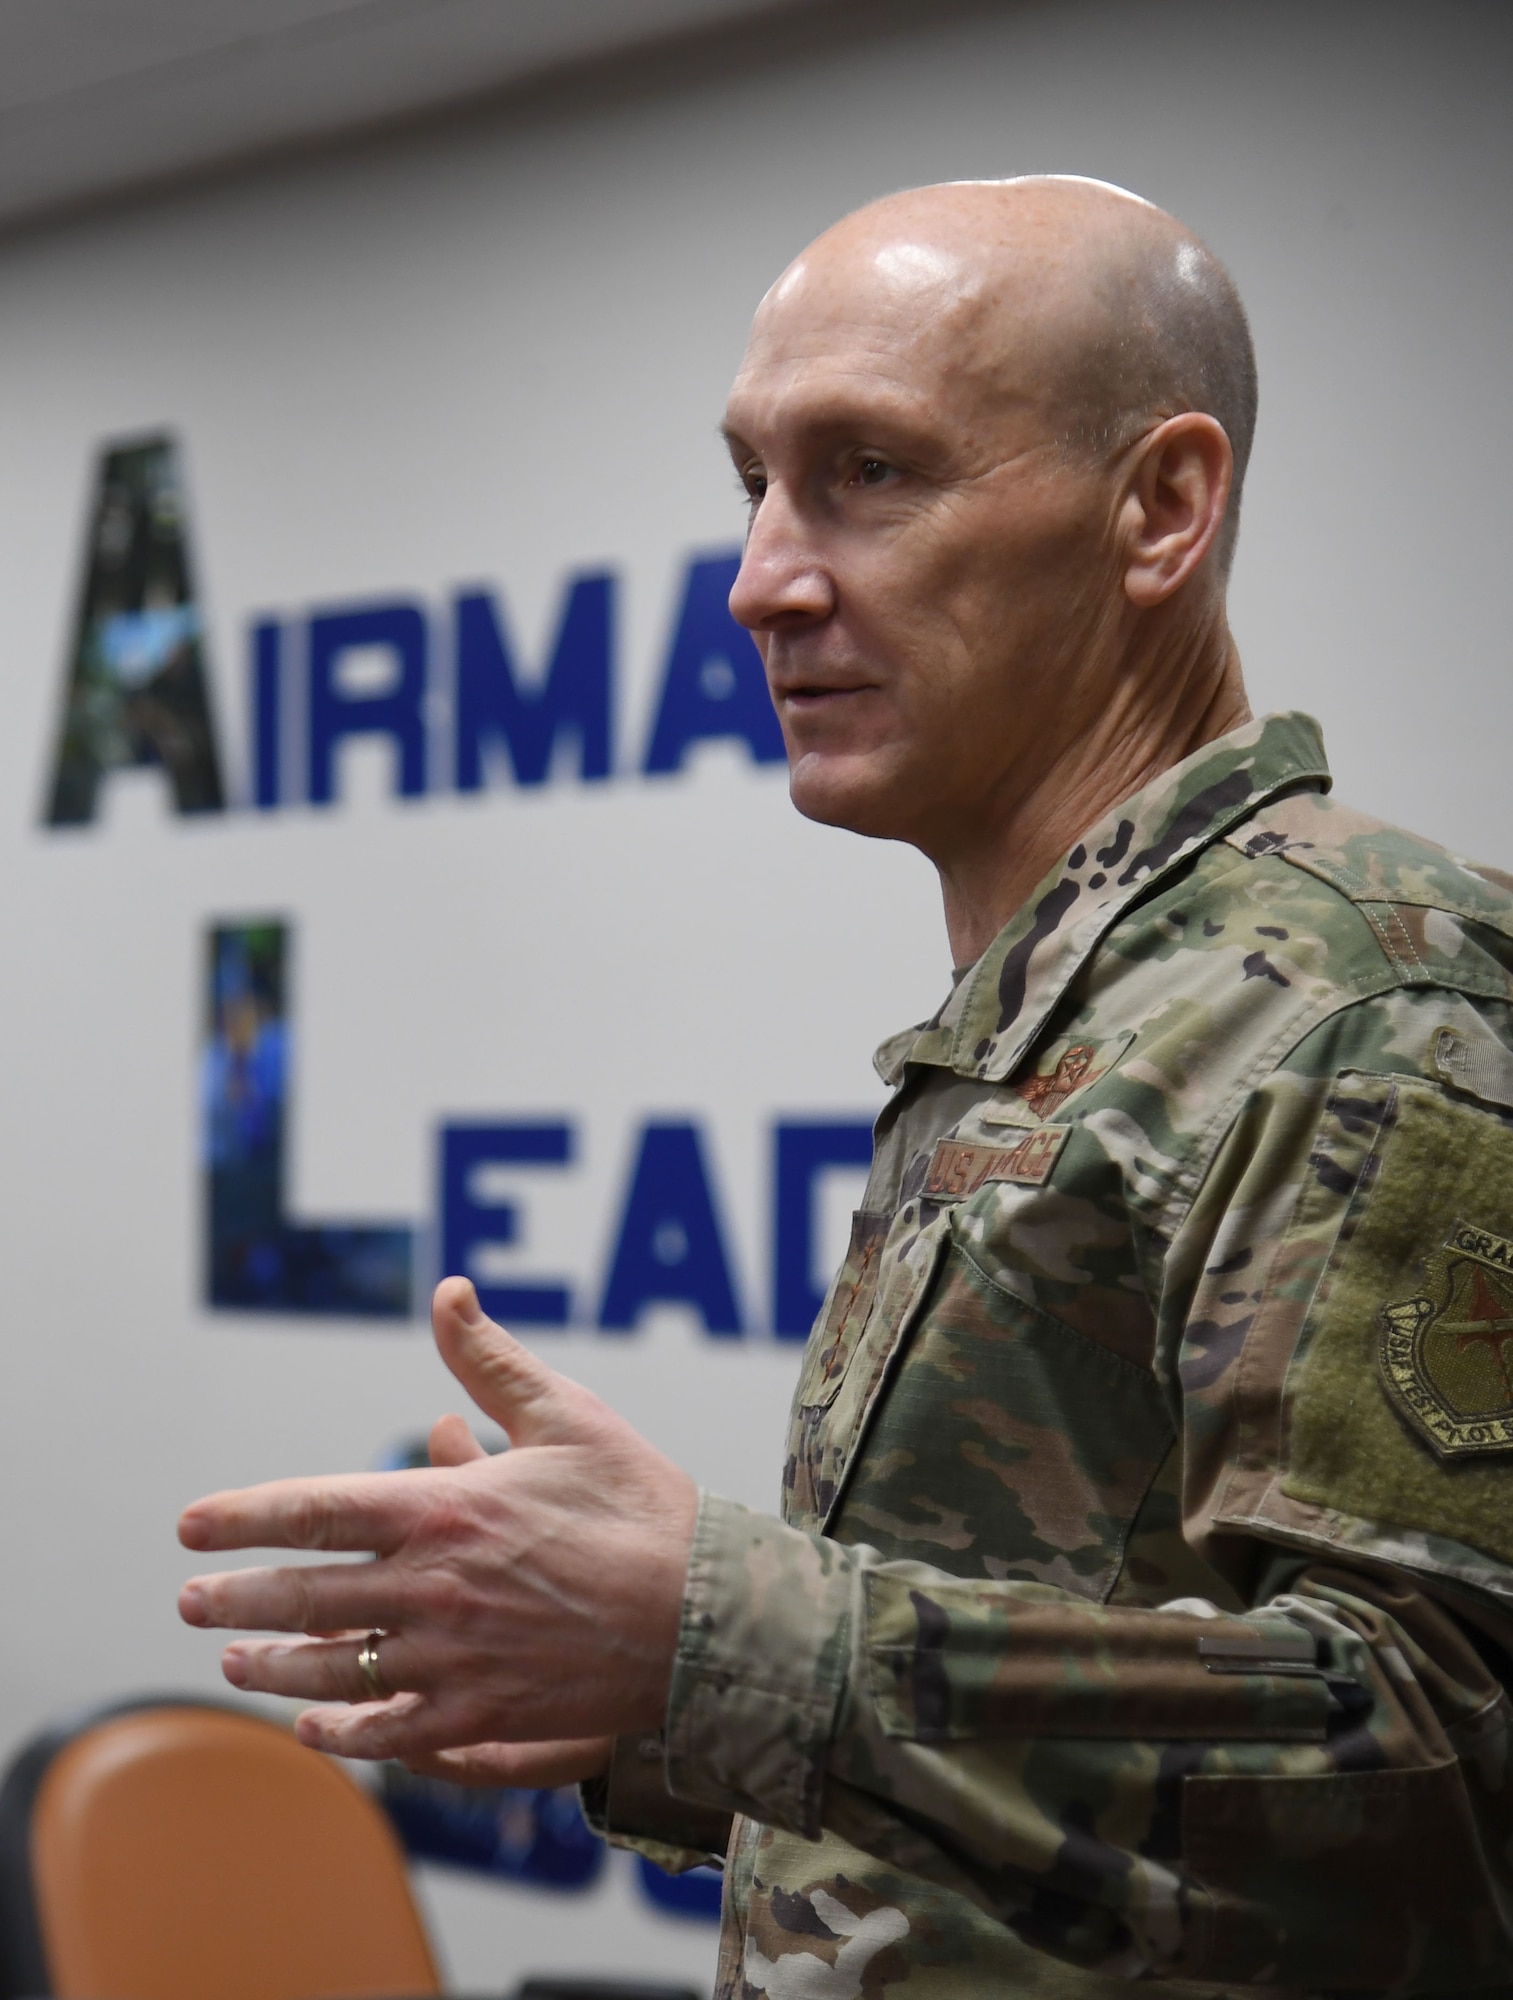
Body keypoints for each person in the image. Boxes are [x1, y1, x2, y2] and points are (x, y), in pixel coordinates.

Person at [178, 177, 1513, 1995]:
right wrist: (634, 1699)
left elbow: (1445, 1770)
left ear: (1160, 508)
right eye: (754, 483)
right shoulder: (1065, 1001)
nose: (759, 581)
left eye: (870, 472)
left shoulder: (1361, 999)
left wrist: (717, 1633)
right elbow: (1071, 1758)